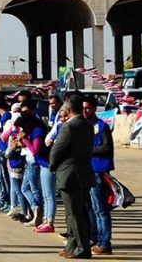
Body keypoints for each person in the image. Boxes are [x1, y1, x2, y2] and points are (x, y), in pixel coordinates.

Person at [50, 93, 94, 259]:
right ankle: (72, 245)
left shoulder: (69, 127)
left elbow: (56, 151)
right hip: (83, 173)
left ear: (68, 109)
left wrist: (53, 166)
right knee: (77, 212)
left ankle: (82, 248)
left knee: (74, 214)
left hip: (70, 174)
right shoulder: (88, 125)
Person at [84, 95, 114, 256]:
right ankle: (95, 238)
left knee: (100, 210)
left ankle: (105, 242)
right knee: (92, 208)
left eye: (88, 108)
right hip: (87, 171)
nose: (85, 111)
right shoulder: (85, 125)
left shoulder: (101, 126)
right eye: (83, 108)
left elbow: (106, 148)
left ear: (95, 108)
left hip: (98, 171)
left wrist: (87, 150)